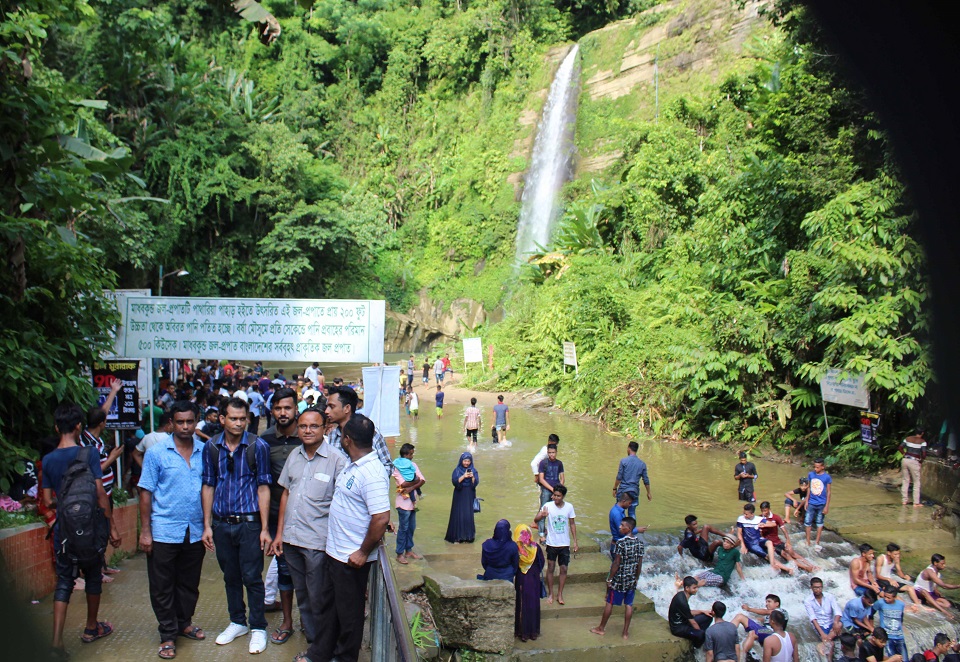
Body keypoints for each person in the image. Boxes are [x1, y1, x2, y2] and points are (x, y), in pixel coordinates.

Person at [294, 415, 390, 662]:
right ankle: (320, 653)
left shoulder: (372, 472)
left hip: (351, 558)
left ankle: (345, 658)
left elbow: (380, 518)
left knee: (349, 615)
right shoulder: (354, 463)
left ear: (347, 440)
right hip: (335, 552)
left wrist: (361, 552)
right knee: (329, 609)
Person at [42, 402, 120, 656]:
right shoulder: (89, 454)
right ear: (78, 427)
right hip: (91, 528)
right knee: (93, 576)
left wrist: (65, 502)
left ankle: (55, 642)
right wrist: (112, 528)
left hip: (64, 530)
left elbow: (46, 501)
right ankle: (91, 628)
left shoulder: (49, 459)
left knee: (64, 580)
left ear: (56, 427)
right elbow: (100, 494)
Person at [269, 407, 348, 647]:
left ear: (326, 428)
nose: (307, 430)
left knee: (319, 597)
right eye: (303, 426)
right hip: (292, 540)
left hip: (317, 542)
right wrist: (279, 534)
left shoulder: (337, 460)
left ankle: (323, 646)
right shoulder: (294, 455)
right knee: (302, 595)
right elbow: (285, 493)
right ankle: (315, 642)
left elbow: (344, 503)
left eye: (314, 426)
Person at [200, 397, 272, 654]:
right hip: (221, 524)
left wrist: (264, 528)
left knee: (252, 576)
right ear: (222, 419)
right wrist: (207, 525)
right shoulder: (211, 447)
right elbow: (208, 484)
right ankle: (237, 621)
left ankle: (258, 626)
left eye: (243, 419)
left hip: (249, 523)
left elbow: (264, 487)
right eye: (233, 418)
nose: (239, 423)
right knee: (230, 576)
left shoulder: (257, 446)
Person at [138, 400, 207, 660]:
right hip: (163, 530)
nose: (186, 427)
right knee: (162, 585)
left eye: (190, 421)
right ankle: (167, 634)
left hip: (195, 530)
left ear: (196, 421)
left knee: (189, 583)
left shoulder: (204, 451)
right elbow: (145, 492)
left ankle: (184, 623)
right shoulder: (157, 453)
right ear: (171, 423)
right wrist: (145, 531)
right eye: (180, 422)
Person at [259, 387, 300, 644]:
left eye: (288, 408)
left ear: (296, 409)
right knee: (284, 567)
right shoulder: (264, 440)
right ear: (272, 411)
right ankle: (287, 621)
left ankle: (309, 618)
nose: (283, 413)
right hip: (275, 515)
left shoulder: (309, 435)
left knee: (308, 568)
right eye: (278, 408)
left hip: (306, 516)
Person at [590, 516, 644, 640]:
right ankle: (625, 632)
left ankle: (601, 628)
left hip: (620, 578)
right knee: (629, 604)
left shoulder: (621, 543)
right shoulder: (640, 543)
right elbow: (639, 564)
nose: (620, 527)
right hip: (631, 579)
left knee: (610, 602)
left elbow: (616, 563)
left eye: (622, 525)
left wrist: (610, 578)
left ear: (628, 528)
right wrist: (636, 577)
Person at [325, 386, 392, 474]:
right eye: (327, 406)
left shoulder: (370, 432)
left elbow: (387, 466)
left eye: (331, 406)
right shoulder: (332, 435)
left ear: (347, 408)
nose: (326, 411)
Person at [534, 484, 578, 605]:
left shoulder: (569, 507)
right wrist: (541, 515)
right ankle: (550, 594)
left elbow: (572, 524)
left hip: (564, 543)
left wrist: (575, 541)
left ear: (563, 496)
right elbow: (536, 519)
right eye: (554, 495)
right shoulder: (547, 506)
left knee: (564, 568)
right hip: (552, 543)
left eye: (558, 496)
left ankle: (560, 594)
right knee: (551, 568)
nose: (555, 497)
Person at [759, 501, 819, 572]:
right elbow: (760, 534)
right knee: (785, 555)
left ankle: (811, 565)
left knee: (792, 552)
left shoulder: (776, 517)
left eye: (765, 511)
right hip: (770, 543)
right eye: (762, 511)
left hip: (777, 541)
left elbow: (784, 530)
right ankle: (805, 568)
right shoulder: (760, 518)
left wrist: (788, 541)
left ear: (769, 509)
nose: (764, 513)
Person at [737, 503, 794, 574]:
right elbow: (739, 533)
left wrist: (764, 525)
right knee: (767, 556)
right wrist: (743, 546)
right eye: (744, 513)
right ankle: (787, 569)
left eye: (746, 514)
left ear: (752, 514)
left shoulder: (758, 519)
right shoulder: (741, 519)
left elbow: (773, 524)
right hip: (751, 543)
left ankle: (773, 564)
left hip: (759, 540)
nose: (744, 515)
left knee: (769, 542)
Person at [392, 443, 425, 564]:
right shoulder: (396, 467)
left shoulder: (413, 465)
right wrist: (414, 482)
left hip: (412, 503)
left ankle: (409, 550)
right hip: (403, 503)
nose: (412, 456)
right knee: (403, 528)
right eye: (411, 454)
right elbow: (403, 484)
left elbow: (422, 480)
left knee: (411, 527)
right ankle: (399, 553)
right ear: (405, 454)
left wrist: (412, 487)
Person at [729, 594, 789, 659]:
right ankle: (726, 633)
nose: (766, 604)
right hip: (765, 631)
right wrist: (748, 619)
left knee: (753, 633)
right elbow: (759, 620)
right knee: (740, 617)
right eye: (766, 602)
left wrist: (749, 609)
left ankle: (742, 656)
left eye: (769, 601)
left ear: (777, 603)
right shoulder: (768, 616)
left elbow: (765, 611)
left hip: (773, 633)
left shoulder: (781, 611)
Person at [513, 524, 544, 642]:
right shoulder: (536, 548)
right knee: (533, 603)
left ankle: (521, 632)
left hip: (521, 579)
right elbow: (541, 562)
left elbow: (513, 564)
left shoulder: (516, 549)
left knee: (521, 604)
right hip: (534, 579)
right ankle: (533, 632)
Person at [668, 576, 714, 648]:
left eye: (696, 587)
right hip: (678, 628)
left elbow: (688, 612)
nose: (696, 590)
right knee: (701, 634)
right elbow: (693, 622)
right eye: (694, 588)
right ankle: (695, 647)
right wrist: (700, 634)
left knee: (708, 617)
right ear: (687, 588)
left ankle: (695, 637)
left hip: (684, 621)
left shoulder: (682, 595)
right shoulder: (682, 601)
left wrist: (702, 611)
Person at [531, 433, 560, 541]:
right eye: (554, 445)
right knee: (545, 505)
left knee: (544, 504)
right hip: (544, 481)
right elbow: (533, 463)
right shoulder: (545, 451)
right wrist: (537, 476)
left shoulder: (549, 453)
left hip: (548, 481)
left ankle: (537, 522)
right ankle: (539, 528)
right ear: (550, 442)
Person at [444, 452, 478, 544]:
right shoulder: (457, 470)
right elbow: (455, 482)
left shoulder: (474, 470)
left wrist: (472, 477)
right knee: (458, 514)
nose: (466, 463)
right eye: (465, 461)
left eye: (468, 461)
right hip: (459, 494)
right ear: (461, 461)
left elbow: (475, 484)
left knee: (468, 514)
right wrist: (463, 476)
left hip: (469, 494)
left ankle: (468, 536)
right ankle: (457, 537)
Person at [612, 441, 651, 518]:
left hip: (623, 490)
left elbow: (619, 477)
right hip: (634, 491)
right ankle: (632, 529)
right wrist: (648, 493)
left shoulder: (623, 461)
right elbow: (646, 480)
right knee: (632, 512)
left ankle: (621, 527)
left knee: (620, 510)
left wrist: (614, 488)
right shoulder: (642, 464)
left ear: (629, 449)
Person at [804, 576, 842, 654]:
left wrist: (835, 622)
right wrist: (822, 633)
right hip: (820, 625)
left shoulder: (829, 597)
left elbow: (837, 610)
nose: (818, 590)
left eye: (820, 587)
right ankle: (828, 641)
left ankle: (825, 642)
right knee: (830, 644)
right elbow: (813, 618)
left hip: (830, 623)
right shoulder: (808, 601)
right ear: (811, 587)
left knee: (840, 623)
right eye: (815, 588)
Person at [915, 554, 960, 619]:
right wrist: (958, 586)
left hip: (930, 592)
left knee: (947, 605)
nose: (944, 565)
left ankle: (928, 602)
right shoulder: (929, 571)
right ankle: (944, 611)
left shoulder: (937, 573)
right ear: (935, 563)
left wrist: (935, 589)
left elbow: (933, 583)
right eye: (942, 564)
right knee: (924, 592)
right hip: (919, 591)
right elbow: (944, 586)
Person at [803, 457, 833, 550]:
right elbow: (809, 488)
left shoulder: (827, 477)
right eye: (815, 467)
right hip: (811, 502)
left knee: (819, 522)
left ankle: (817, 542)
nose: (816, 469)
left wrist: (827, 506)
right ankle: (808, 541)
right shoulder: (811, 474)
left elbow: (828, 492)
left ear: (822, 467)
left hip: (821, 503)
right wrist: (806, 501)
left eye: (818, 467)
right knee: (807, 521)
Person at [537, 444, 565, 537]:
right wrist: (552, 489)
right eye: (549, 453)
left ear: (556, 452)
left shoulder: (559, 463)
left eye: (553, 452)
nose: (551, 455)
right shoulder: (543, 463)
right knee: (543, 511)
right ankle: (541, 534)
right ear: (547, 452)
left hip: (557, 491)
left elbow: (562, 478)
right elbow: (541, 479)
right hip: (546, 490)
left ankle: (553, 530)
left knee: (556, 511)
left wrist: (559, 490)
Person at [876, 584, 909, 660]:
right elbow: (871, 613)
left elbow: (901, 617)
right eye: (885, 596)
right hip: (887, 637)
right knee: (891, 659)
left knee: (905, 659)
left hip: (899, 636)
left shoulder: (901, 604)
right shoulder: (880, 603)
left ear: (894, 597)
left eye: (888, 598)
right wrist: (872, 628)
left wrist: (902, 626)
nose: (886, 599)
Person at [609, 493, 647, 559]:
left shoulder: (617, 510)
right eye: (629, 503)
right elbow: (621, 532)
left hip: (617, 544)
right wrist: (637, 530)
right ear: (624, 501)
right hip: (617, 546)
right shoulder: (617, 514)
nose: (630, 505)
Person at [900, 429, 927, 507]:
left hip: (905, 460)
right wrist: (921, 461)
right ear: (922, 433)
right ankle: (916, 502)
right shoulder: (922, 442)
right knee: (916, 482)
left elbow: (900, 447)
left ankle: (904, 500)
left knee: (905, 480)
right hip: (914, 461)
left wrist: (904, 454)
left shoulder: (908, 438)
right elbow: (924, 453)